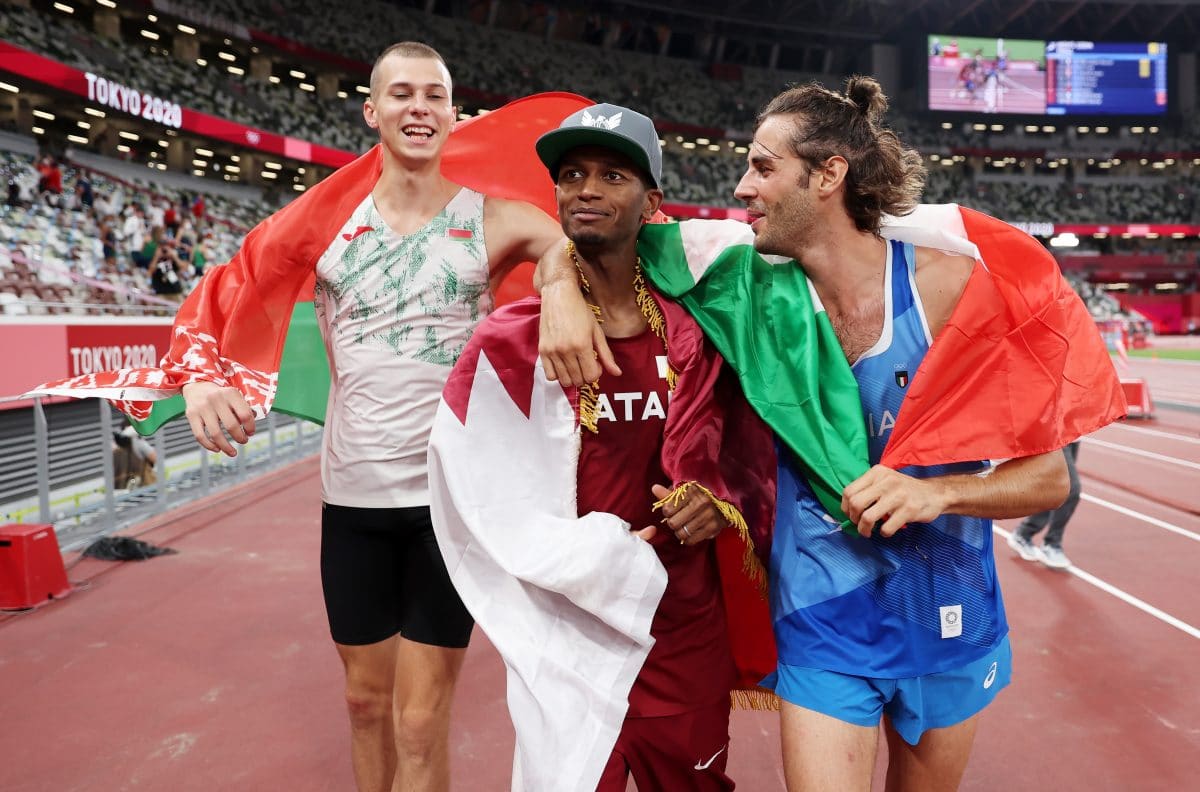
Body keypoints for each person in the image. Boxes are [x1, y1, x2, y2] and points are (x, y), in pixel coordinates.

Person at [537, 76, 1123, 792]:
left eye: (763, 165)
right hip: (824, 618)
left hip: (950, 611)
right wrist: (558, 287)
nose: (743, 186)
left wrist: (938, 495)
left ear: (828, 175)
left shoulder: (947, 288)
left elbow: (1049, 478)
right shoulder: (742, 280)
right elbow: (598, 229)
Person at [179, 42, 564, 792]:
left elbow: (580, 256)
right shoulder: (324, 224)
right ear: (373, 110)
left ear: (455, 115)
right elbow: (223, 287)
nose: (418, 108)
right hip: (351, 502)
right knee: (363, 704)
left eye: (434, 96)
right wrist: (200, 384)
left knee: (421, 723)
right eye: (402, 95)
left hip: (446, 508)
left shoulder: (495, 220)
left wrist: (566, 290)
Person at [427, 103, 776, 792]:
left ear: (651, 203)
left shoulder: (702, 325)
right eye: (572, 174)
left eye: (612, 175)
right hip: (567, 629)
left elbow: (753, 442)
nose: (586, 188)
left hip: (683, 626)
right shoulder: (508, 342)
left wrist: (719, 499)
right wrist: (587, 556)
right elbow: (466, 491)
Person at [1007, 441, 1081, 569]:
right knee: (1071, 489)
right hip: (1058, 436)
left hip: (1075, 435)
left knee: (1055, 488)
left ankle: (1024, 533)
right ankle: (1052, 544)